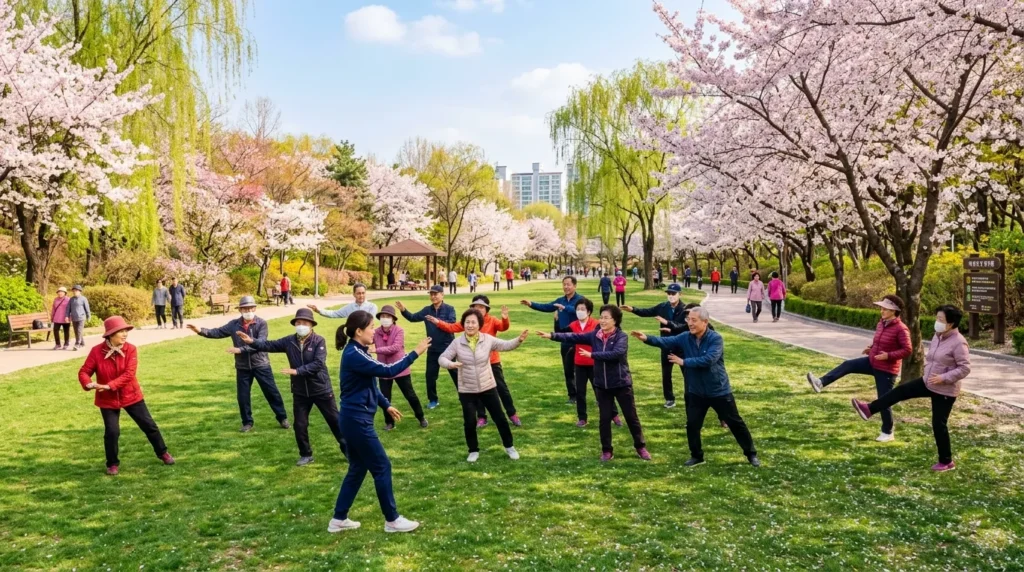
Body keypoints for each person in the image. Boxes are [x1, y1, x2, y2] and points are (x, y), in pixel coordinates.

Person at [329, 310, 428, 534]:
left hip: (353, 419)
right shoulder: (354, 354)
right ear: (359, 331)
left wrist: (385, 404)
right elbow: (388, 370)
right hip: (356, 422)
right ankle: (392, 520)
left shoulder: (359, 352)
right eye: (371, 327)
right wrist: (415, 352)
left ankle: (338, 519)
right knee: (382, 466)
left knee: (357, 468)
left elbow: (371, 384)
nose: (374, 330)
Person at [633, 306, 760, 467]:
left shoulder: (715, 339)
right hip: (696, 392)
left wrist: (684, 362)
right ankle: (697, 456)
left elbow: (709, 360)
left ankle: (751, 454)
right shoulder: (685, 337)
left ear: (705, 322)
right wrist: (647, 338)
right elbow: (666, 341)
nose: (690, 323)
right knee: (692, 425)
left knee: (736, 423)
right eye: (688, 320)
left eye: (694, 320)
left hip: (718, 390)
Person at [851, 305, 970, 471]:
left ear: (951, 324)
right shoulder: (938, 336)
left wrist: (943, 378)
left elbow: (964, 368)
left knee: (938, 424)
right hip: (928, 382)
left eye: (940, 320)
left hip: (945, 389)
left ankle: (946, 461)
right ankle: (869, 409)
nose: (937, 322)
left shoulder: (959, 343)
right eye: (937, 318)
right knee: (900, 391)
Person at [539, 305, 650, 462]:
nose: (602, 320)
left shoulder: (621, 337)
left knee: (631, 417)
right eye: (601, 317)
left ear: (615, 321)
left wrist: (592, 354)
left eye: (606, 318)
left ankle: (640, 447)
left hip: (621, 384)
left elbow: (616, 354)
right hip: (602, 385)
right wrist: (552, 335)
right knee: (604, 419)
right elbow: (574, 337)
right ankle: (607, 450)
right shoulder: (594, 335)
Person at [237, 308, 346, 466]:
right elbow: (269, 345)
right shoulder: (289, 341)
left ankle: (349, 451)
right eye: (298, 322)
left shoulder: (319, 341)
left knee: (335, 421)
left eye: (304, 322)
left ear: (311, 325)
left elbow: (318, 363)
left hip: (321, 389)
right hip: (300, 392)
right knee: (299, 424)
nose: (301, 325)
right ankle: (306, 454)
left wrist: (297, 371)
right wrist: (252, 341)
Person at [78, 316, 175, 475]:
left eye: (126, 331)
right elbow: (84, 371)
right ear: (110, 334)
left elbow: (129, 374)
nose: (125, 334)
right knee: (112, 432)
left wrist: (109, 385)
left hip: (131, 395)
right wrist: (88, 383)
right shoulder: (97, 351)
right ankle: (112, 464)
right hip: (107, 399)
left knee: (149, 425)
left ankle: (162, 453)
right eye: (120, 332)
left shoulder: (131, 349)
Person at [806, 295, 912, 441]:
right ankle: (821, 382)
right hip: (872, 362)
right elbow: (880, 341)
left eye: (885, 308)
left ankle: (887, 432)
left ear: (894, 311)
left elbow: (907, 350)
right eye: (881, 308)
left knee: (884, 400)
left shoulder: (901, 329)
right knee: (848, 364)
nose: (881, 311)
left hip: (886, 369)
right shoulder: (881, 323)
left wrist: (888, 355)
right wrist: (871, 348)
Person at [187, 296, 289, 432]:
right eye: (245, 308)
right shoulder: (234, 324)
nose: (248, 310)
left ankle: (282, 418)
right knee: (243, 396)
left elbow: (261, 344)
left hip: (261, 364)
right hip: (243, 367)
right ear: (240, 310)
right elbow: (216, 332)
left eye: (250, 308)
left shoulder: (262, 323)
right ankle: (247, 422)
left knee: (271, 392)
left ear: (255, 308)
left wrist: (240, 349)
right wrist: (200, 330)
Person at [439, 308, 528, 462]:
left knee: (500, 418)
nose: (470, 325)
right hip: (467, 388)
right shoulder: (457, 342)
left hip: (487, 386)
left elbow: (506, 345)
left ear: (479, 324)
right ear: (463, 324)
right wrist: (450, 364)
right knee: (470, 421)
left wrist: (518, 340)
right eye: (467, 322)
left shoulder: (487, 339)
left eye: (473, 322)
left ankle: (510, 447)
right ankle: (473, 450)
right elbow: (442, 358)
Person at [428, 295, 521, 427]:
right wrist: (438, 322)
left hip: (492, 361)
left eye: (481, 307)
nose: (478, 309)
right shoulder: (470, 322)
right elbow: (451, 328)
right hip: (472, 363)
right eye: (475, 307)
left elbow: (503, 327)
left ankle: (512, 414)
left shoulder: (492, 320)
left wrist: (505, 318)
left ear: (486, 309)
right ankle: (482, 417)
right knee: (477, 390)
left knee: (502, 389)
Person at [621, 283, 688, 408]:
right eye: (669, 293)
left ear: (680, 294)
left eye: (673, 294)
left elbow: (684, 328)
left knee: (688, 374)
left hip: (682, 347)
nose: (671, 296)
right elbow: (647, 311)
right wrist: (633, 309)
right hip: (666, 345)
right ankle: (669, 398)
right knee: (666, 374)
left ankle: (690, 396)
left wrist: (667, 323)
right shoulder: (662, 307)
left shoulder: (685, 309)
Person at [520, 276, 586, 404]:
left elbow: (580, 312)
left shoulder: (580, 300)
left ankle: (593, 394)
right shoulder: (560, 300)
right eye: (564, 284)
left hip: (579, 337)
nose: (566, 287)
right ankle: (573, 396)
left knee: (585, 369)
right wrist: (531, 304)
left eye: (568, 284)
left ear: (575, 286)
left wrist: (564, 308)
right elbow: (547, 307)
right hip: (565, 338)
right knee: (568, 369)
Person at [397, 285, 457, 409]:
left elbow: (452, 324)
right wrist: (403, 310)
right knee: (430, 376)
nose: (433, 296)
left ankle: (465, 396)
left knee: (456, 374)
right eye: (431, 294)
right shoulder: (427, 310)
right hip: (433, 348)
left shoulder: (450, 309)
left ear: (442, 295)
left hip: (448, 348)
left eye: (436, 294)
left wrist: (437, 321)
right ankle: (433, 400)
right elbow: (412, 318)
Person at [566, 297, 622, 428]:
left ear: (589, 311)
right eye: (578, 309)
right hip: (579, 363)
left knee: (601, 391)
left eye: (583, 309)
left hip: (594, 363)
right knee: (580, 392)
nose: (580, 311)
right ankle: (582, 418)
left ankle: (614, 414)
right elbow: (564, 334)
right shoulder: (573, 325)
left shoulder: (597, 324)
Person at [372, 305, 427, 430]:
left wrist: (376, 349)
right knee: (385, 398)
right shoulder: (375, 332)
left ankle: (421, 417)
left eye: (387, 316)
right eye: (382, 316)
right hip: (383, 369)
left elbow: (395, 347)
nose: (385, 318)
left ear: (393, 319)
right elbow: (366, 341)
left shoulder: (399, 331)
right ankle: (389, 422)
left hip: (400, 368)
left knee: (410, 395)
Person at [308, 283, 377, 320]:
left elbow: (369, 322)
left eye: (363, 293)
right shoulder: (349, 307)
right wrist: (318, 310)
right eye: (359, 293)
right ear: (354, 294)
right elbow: (334, 314)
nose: (361, 295)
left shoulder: (372, 307)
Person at [66, 285, 91, 349]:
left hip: (81, 318)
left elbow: (87, 308)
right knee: (76, 331)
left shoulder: (83, 299)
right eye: (74, 291)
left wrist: (89, 316)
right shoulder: (71, 299)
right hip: (74, 318)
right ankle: (82, 343)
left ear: (80, 291)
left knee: (79, 330)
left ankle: (77, 344)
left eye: (76, 290)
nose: (74, 292)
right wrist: (67, 316)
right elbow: (68, 308)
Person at [51, 286, 71, 350]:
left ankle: (66, 344)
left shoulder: (68, 299)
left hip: (66, 318)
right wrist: (52, 317)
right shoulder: (55, 299)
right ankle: (58, 344)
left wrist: (69, 317)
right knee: (55, 331)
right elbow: (53, 309)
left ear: (65, 293)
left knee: (66, 331)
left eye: (61, 292)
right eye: (59, 292)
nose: (60, 293)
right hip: (57, 318)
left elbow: (71, 309)